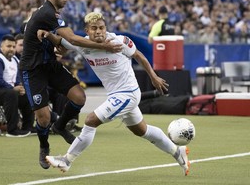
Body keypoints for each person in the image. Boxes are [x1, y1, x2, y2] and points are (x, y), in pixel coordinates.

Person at [45, 12, 191, 176]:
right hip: (116, 95)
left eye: (101, 28)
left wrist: (154, 76)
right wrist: (46, 34)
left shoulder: (118, 41)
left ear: (106, 28)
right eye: (94, 28)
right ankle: (178, 152)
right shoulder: (82, 43)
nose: (99, 31)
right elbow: (60, 40)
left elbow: (138, 55)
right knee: (142, 131)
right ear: (87, 30)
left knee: (91, 120)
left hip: (127, 93)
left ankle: (67, 160)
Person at [19, 0, 122, 170]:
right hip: (33, 70)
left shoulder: (51, 15)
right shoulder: (48, 13)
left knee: (79, 97)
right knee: (43, 118)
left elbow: (61, 43)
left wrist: (52, 39)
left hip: (50, 65)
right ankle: (44, 146)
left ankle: (60, 126)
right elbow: (73, 39)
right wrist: (104, 45)